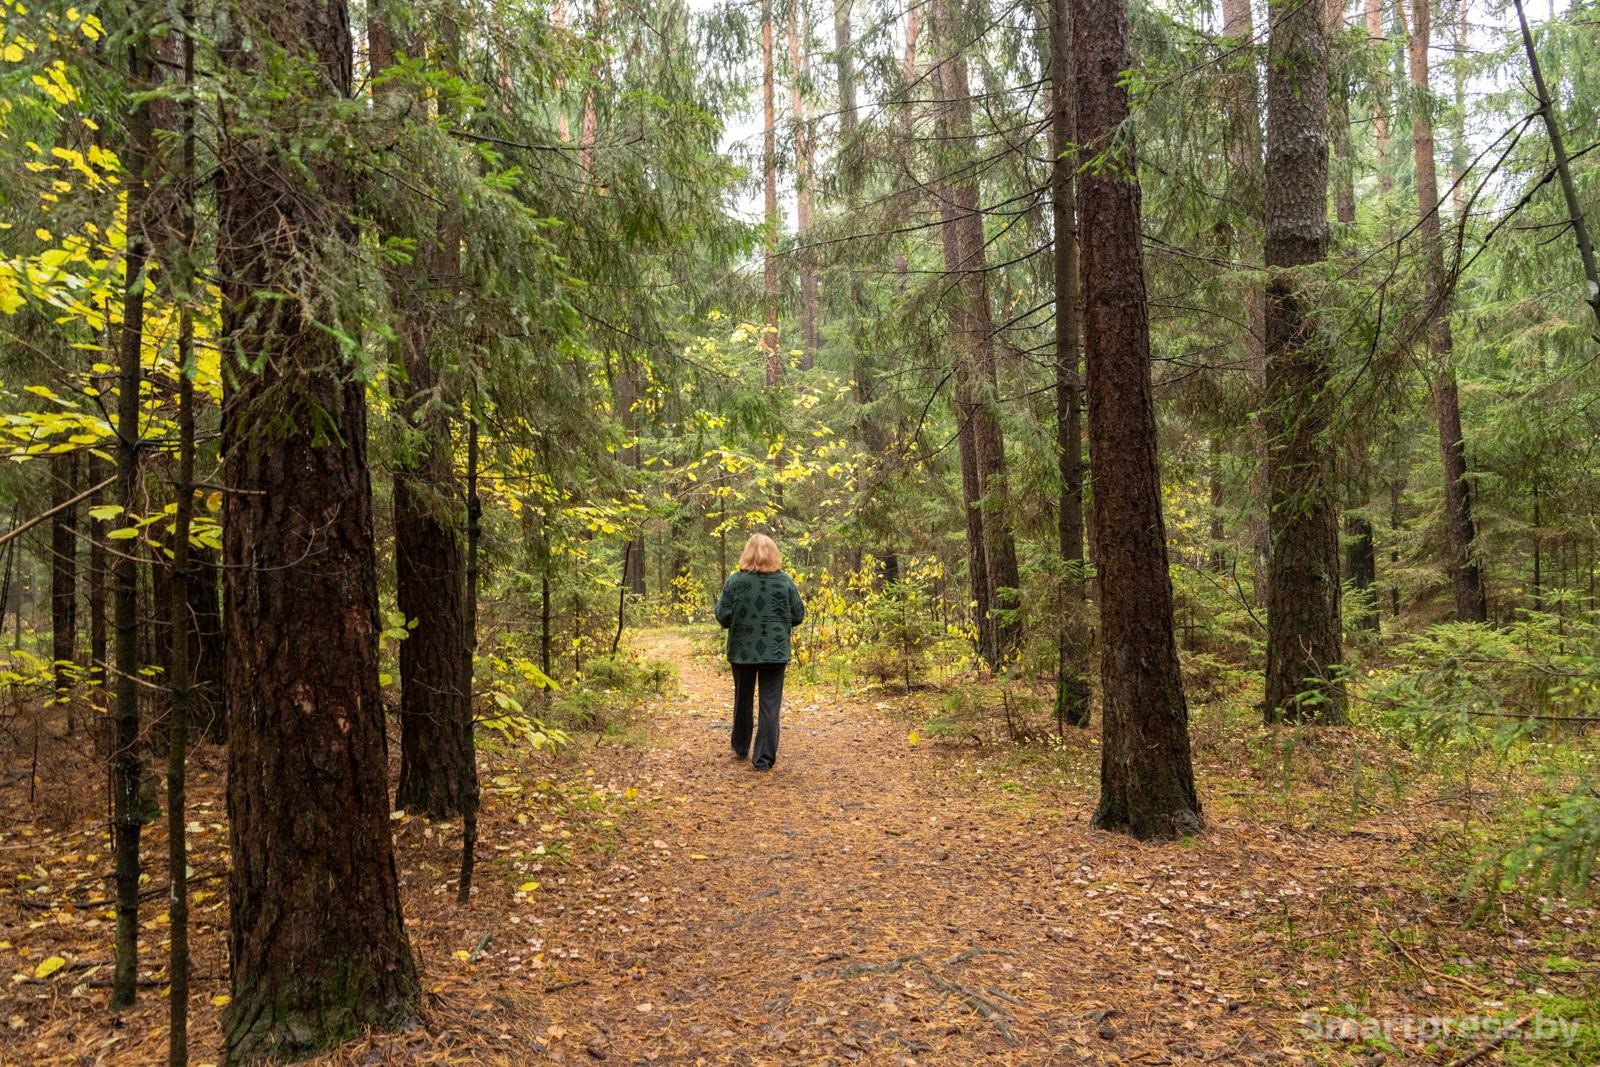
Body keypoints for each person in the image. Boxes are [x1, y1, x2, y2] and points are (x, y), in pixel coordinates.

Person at [713, 533, 805, 770]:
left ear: (746, 554)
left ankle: (741, 747)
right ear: (774, 555)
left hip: (742, 652)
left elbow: (722, 615)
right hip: (775, 652)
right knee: (770, 704)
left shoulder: (735, 581)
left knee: (743, 698)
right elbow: (798, 615)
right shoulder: (784, 581)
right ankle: (763, 759)